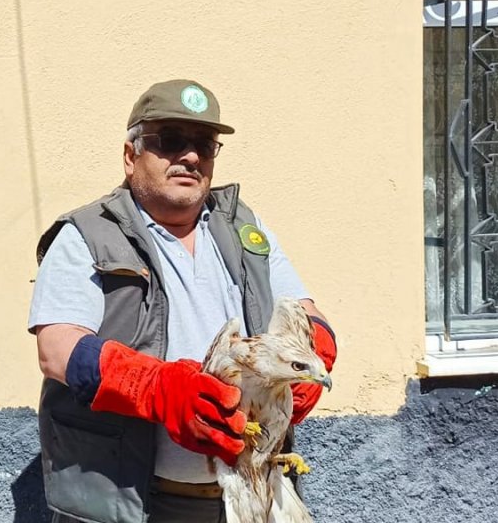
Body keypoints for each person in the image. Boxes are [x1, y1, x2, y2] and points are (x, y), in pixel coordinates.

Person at [28, 80, 338, 523]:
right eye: (171, 141)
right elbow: (57, 349)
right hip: (137, 501)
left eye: (205, 146)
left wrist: (317, 355)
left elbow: (306, 314)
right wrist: (160, 390)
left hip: (249, 495)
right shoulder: (84, 234)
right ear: (130, 155)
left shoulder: (245, 227)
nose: (191, 156)